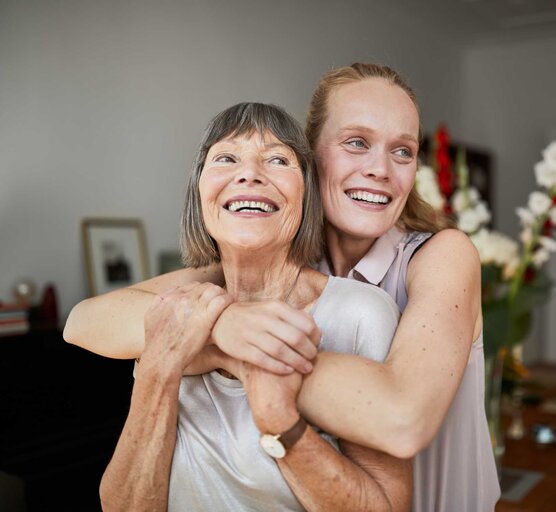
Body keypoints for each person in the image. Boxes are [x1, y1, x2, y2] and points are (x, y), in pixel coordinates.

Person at [65, 63, 500, 511]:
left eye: (403, 152)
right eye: (356, 143)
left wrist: (228, 345)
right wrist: (225, 325)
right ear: (311, 158)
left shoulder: (441, 255)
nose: (380, 169)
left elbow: (402, 420)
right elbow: (86, 319)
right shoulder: (260, 261)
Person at [99, 102, 412, 511]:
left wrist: (280, 419)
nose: (249, 174)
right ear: (199, 193)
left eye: (277, 159)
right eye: (226, 158)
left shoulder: (360, 314)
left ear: (306, 194)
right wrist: (160, 367)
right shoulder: (173, 312)